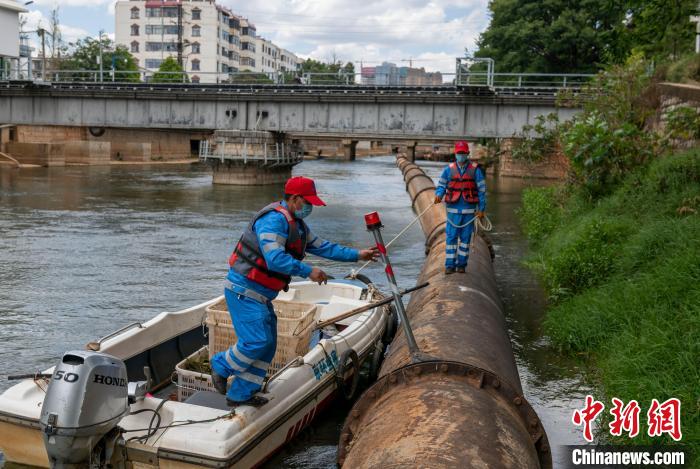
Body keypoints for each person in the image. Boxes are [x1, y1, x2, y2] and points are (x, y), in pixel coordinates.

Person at [210, 176, 379, 407]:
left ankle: (241, 394)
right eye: (307, 202)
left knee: (268, 344)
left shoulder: (297, 227)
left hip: (261, 294)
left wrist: (358, 255)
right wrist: (309, 271)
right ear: (295, 199)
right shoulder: (272, 221)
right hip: (243, 290)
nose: (310, 207)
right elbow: (275, 259)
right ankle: (220, 365)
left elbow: (324, 247)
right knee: (256, 341)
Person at [433, 141, 487, 274]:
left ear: (467, 154)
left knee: (465, 239)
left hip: (469, 212)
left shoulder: (475, 171)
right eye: (459, 153)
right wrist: (439, 195)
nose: (461, 155)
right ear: (455, 154)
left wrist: (481, 209)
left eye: (463, 153)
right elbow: (441, 186)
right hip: (452, 212)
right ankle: (449, 266)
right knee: (451, 238)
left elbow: (481, 191)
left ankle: (461, 265)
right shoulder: (448, 170)